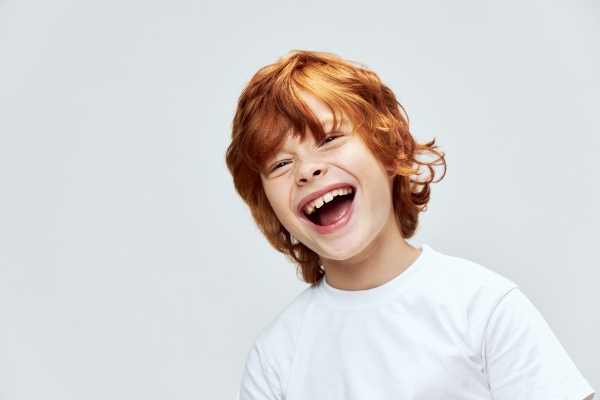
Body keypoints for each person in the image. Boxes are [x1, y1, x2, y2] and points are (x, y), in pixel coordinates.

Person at [226, 51, 594, 400]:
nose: (307, 170)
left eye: (330, 139)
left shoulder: (484, 307)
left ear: (389, 150)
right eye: (280, 164)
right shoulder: (275, 358)